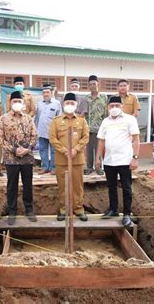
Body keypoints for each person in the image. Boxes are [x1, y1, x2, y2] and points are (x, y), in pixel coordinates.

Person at [95, 96, 140, 227]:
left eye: (117, 105)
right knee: (111, 186)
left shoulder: (130, 119)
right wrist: (98, 157)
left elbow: (136, 140)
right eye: (111, 106)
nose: (114, 108)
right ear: (108, 107)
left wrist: (135, 158)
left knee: (126, 187)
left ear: (122, 107)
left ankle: (127, 213)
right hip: (109, 160)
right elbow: (101, 141)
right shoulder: (105, 122)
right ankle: (113, 209)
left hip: (125, 160)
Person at [0, 90, 38, 225]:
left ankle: (29, 209)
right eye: (14, 101)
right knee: (12, 185)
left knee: (28, 185)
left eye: (19, 101)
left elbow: (34, 136)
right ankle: (12, 211)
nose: (17, 104)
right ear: (10, 103)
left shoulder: (28, 119)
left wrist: (27, 149)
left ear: (23, 103)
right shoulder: (3, 119)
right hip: (11, 159)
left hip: (27, 158)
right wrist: (14, 149)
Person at [49, 92, 89, 221]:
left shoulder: (82, 121)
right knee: (63, 186)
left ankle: (78, 209)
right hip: (62, 160)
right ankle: (64, 209)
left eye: (72, 103)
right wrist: (64, 150)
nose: (69, 105)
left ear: (76, 105)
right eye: (67, 103)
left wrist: (76, 149)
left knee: (78, 186)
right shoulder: (56, 121)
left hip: (77, 160)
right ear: (63, 104)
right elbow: (52, 138)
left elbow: (85, 137)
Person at [35, 83, 62, 175]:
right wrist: (35, 129)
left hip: (53, 132)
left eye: (47, 92)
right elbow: (37, 118)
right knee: (43, 150)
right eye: (44, 92)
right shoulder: (39, 104)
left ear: (51, 93)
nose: (45, 94)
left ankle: (53, 168)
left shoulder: (57, 103)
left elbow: (59, 118)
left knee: (54, 151)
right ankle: (45, 167)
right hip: (41, 131)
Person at [84, 75, 106, 175]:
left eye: (94, 84)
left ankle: (98, 167)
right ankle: (89, 167)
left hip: (100, 128)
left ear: (98, 84)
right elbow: (83, 113)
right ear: (88, 86)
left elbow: (106, 114)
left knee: (99, 148)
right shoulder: (86, 98)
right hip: (88, 128)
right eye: (90, 84)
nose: (92, 86)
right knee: (89, 149)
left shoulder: (104, 97)